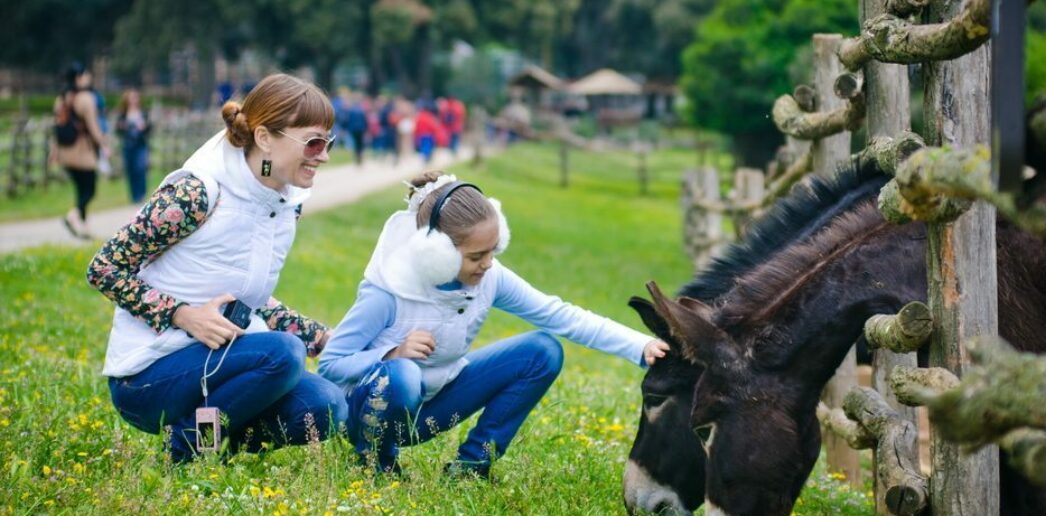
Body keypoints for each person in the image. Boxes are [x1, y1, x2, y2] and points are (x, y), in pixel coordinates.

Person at [318, 173, 670, 477]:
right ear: (436, 254)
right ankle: (375, 463)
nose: (488, 264)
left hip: (434, 407)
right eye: (476, 256)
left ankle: (471, 468)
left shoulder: (490, 277)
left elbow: (560, 314)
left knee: (542, 351)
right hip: (373, 412)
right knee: (404, 374)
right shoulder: (386, 292)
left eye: (494, 250)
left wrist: (639, 345)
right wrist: (392, 353)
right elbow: (330, 365)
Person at [86, 74, 347, 463]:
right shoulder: (197, 192)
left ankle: (202, 441)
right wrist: (183, 315)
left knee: (327, 406)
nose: (323, 155)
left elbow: (248, 300)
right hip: (149, 374)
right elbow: (104, 267)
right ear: (264, 138)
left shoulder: (286, 200)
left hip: (222, 365)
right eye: (312, 142)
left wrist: (322, 338)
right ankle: (184, 450)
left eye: (328, 142)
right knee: (283, 355)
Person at [53, 62, 109, 239]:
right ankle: (74, 215)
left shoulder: (61, 99)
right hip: (83, 152)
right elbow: (93, 127)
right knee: (90, 190)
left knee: (80, 189)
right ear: (79, 77)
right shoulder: (86, 98)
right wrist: (103, 144)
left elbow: (57, 127)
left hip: (66, 153)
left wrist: (53, 152)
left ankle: (84, 227)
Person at [114, 88, 152, 204]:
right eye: (131, 97)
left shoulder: (143, 112)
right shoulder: (123, 113)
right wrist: (122, 127)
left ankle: (142, 193)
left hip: (140, 144)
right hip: (128, 145)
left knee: (140, 168)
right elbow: (117, 129)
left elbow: (149, 128)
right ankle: (134, 196)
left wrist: (144, 127)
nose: (134, 100)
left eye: (136, 97)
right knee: (131, 170)